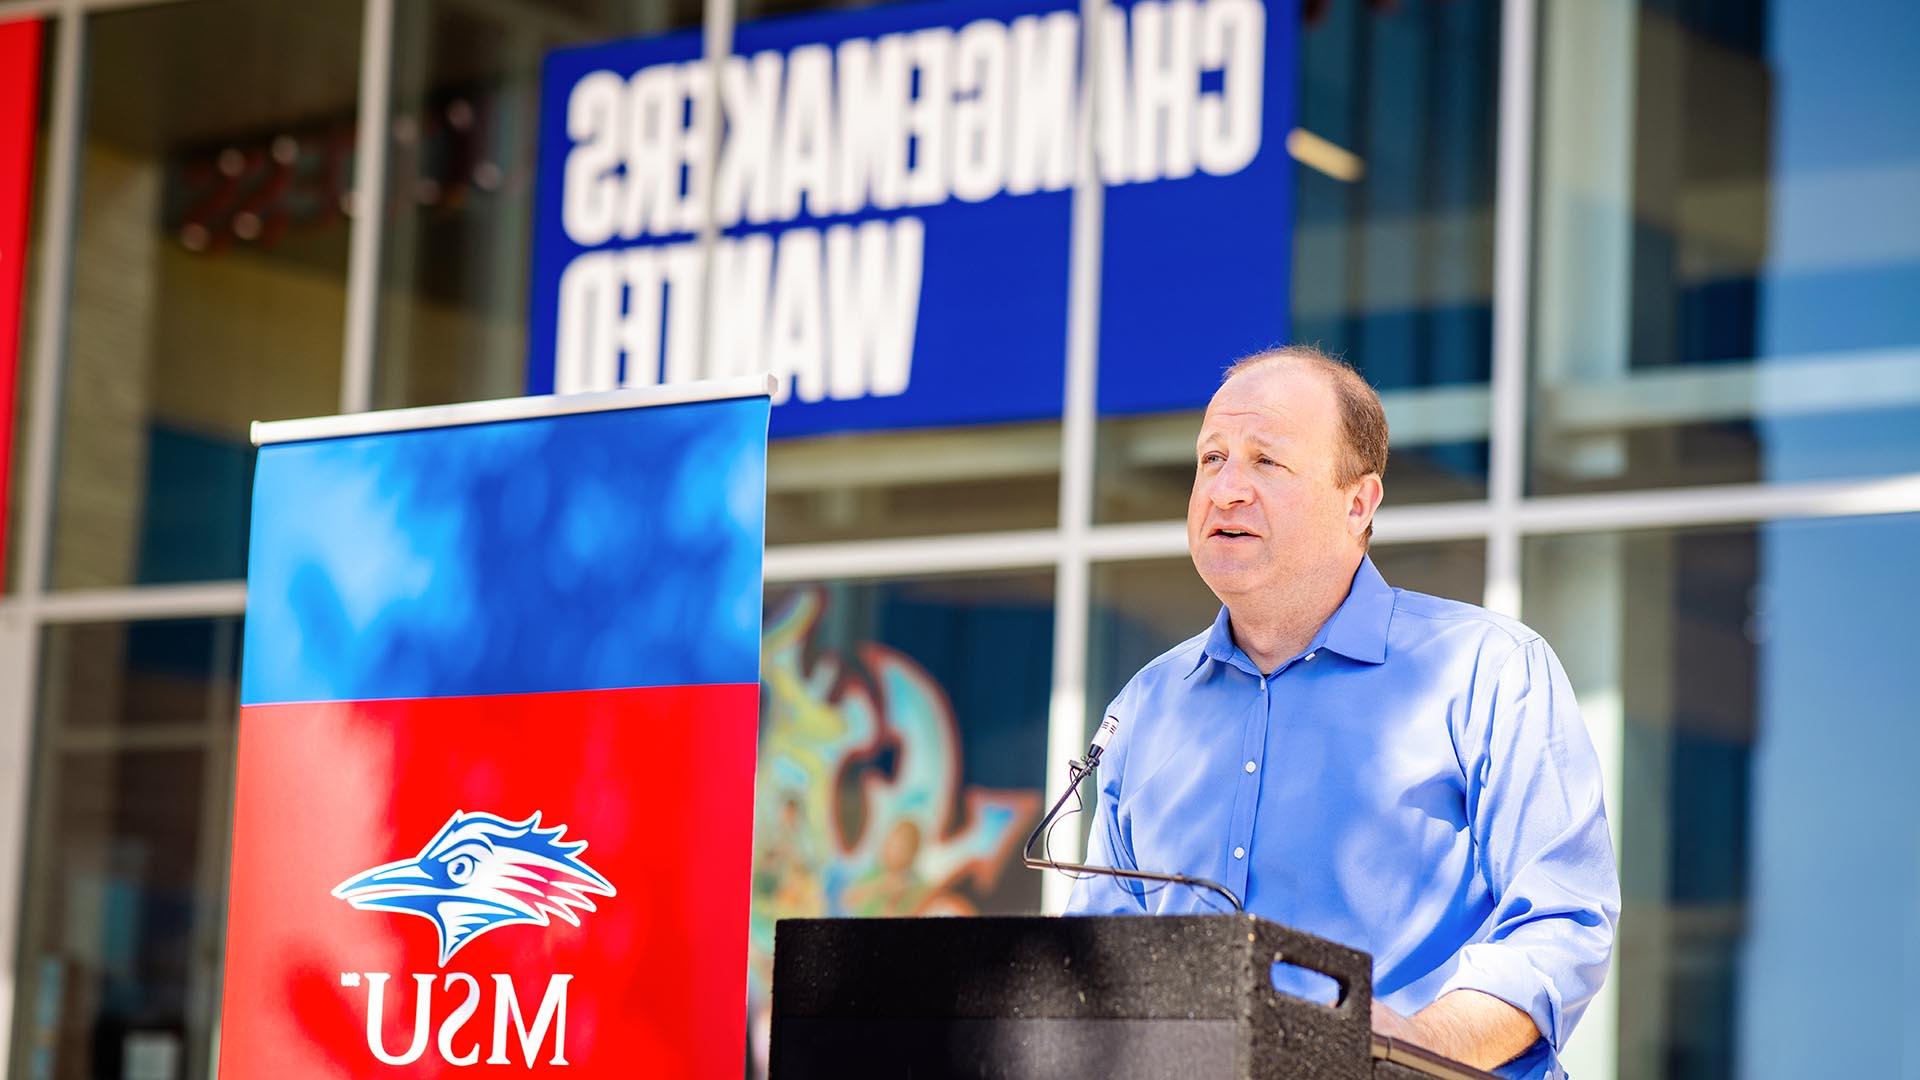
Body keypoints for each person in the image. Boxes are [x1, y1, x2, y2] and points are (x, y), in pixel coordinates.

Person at [1065, 347, 1618, 1079]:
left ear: (1358, 503)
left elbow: (1561, 925)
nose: (1226, 489)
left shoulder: (1490, 671)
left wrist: (1409, 1048)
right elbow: (1098, 958)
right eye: (1212, 459)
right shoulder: (1145, 708)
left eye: (1267, 462)